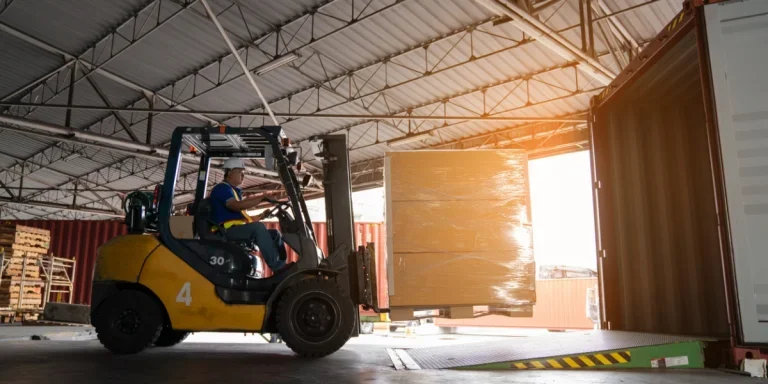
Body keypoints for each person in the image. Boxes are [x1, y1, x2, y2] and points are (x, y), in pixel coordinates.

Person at [208, 158, 286, 273]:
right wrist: (262, 198)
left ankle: (282, 264)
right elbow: (235, 206)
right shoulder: (222, 188)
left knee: (275, 234)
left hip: (236, 228)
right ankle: (277, 267)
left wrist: (262, 215)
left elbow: (243, 218)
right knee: (258, 228)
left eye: (243, 173)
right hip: (225, 231)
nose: (243, 175)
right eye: (240, 172)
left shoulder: (234, 191)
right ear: (229, 173)